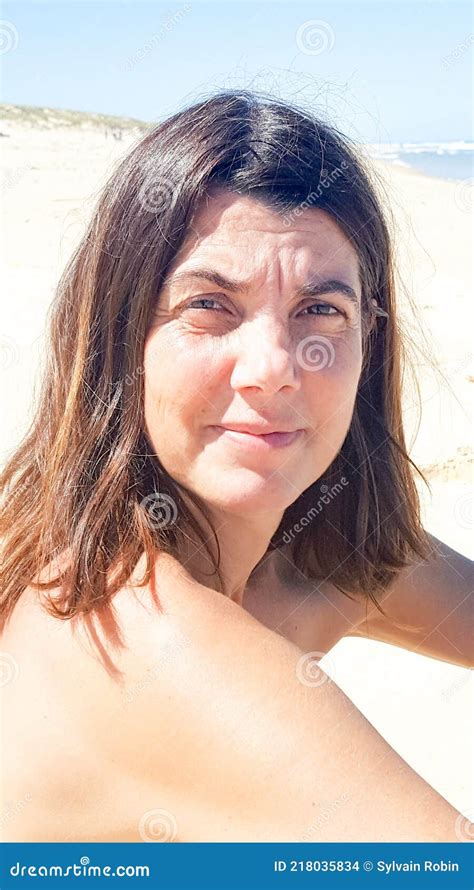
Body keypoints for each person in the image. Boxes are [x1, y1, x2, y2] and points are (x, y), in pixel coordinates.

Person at [0, 90, 472, 843]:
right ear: (123, 340)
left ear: (367, 347)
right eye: (210, 306)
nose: (274, 369)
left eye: (321, 310)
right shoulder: (142, 640)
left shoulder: (316, 557)